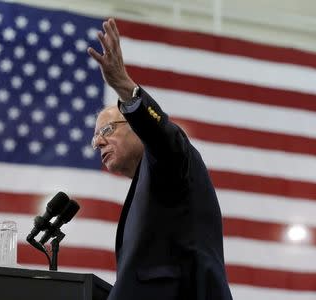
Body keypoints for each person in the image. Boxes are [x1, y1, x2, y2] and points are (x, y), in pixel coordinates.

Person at [87, 18, 233, 300]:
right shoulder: (147, 180)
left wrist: (124, 88)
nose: (98, 142)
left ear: (136, 127)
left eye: (106, 130)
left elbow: (162, 134)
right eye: (95, 138)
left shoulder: (171, 160)